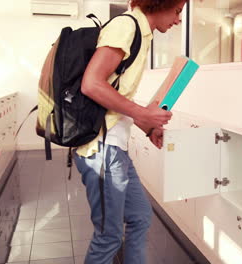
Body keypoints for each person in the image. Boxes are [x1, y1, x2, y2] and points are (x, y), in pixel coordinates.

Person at [73, 0, 186, 263]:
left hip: (116, 148)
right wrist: (142, 114)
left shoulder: (141, 34)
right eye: (178, 11)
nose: (178, 20)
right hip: (102, 149)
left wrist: (146, 126)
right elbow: (91, 84)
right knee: (109, 237)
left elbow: (114, 96)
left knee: (140, 217)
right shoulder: (127, 26)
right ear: (160, 3)